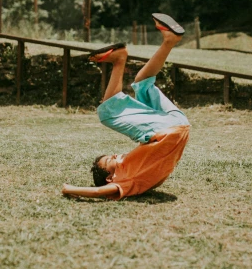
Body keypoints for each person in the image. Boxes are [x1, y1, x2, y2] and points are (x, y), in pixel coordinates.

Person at [61, 13, 190, 200]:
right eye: (110, 161)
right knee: (107, 114)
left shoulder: (136, 171)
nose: (115, 156)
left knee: (143, 82)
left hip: (179, 126)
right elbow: (99, 192)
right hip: (168, 131)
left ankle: (169, 40)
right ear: (109, 178)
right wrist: (70, 189)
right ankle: (119, 59)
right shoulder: (125, 179)